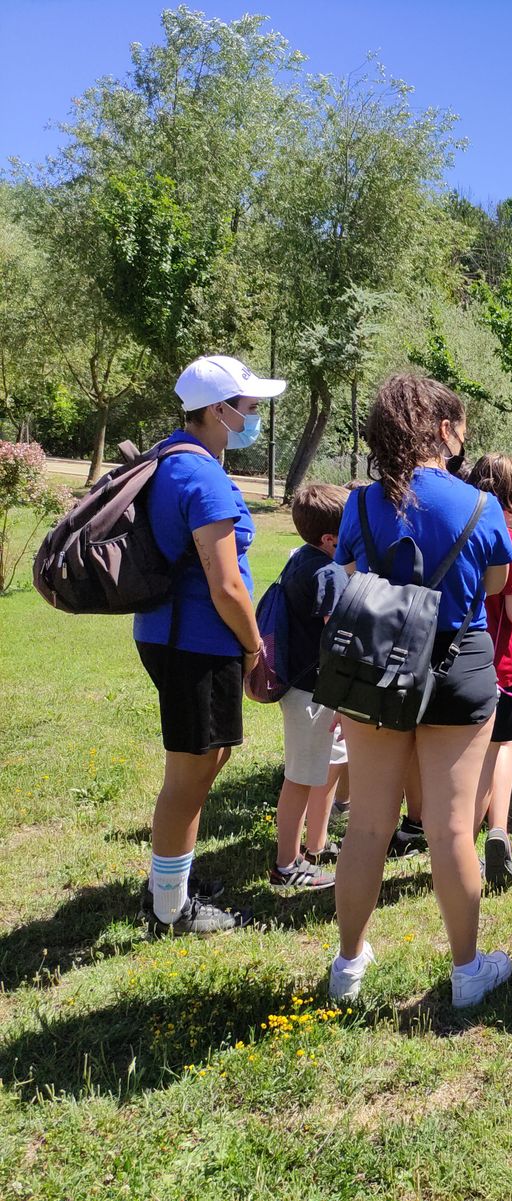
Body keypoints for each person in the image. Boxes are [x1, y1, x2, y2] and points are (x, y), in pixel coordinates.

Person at [328, 375, 512, 1010]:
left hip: (378, 666)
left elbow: (355, 573)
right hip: (458, 667)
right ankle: (467, 971)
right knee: (453, 830)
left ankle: (348, 966)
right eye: (459, 428)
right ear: (441, 430)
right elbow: (494, 584)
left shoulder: (357, 505)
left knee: (368, 827)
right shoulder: (480, 505)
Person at [138, 353, 281, 935]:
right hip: (196, 641)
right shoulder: (199, 474)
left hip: (174, 635)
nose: (253, 420)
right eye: (248, 409)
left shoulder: (172, 458)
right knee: (191, 771)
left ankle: (173, 881)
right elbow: (225, 585)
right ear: (217, 411)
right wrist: (254, 647)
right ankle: (169, 908)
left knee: (205, 760)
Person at [269, 482, 351, 892]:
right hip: (311, 691)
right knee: (300, 778)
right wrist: (338, 699)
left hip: (299, 686)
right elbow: (333, 641)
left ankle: (306, 851)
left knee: (307, 774)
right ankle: (287, 864)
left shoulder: (301, 558)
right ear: (330, 538)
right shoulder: (329, 574)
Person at [466, 453, 512, 891]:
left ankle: (458, 844)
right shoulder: (510, 542)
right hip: (502, 664)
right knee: (502, 749)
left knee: (464, 760)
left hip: (456, 664)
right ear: (509, 496)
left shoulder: (459, 529)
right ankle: (498, 832)